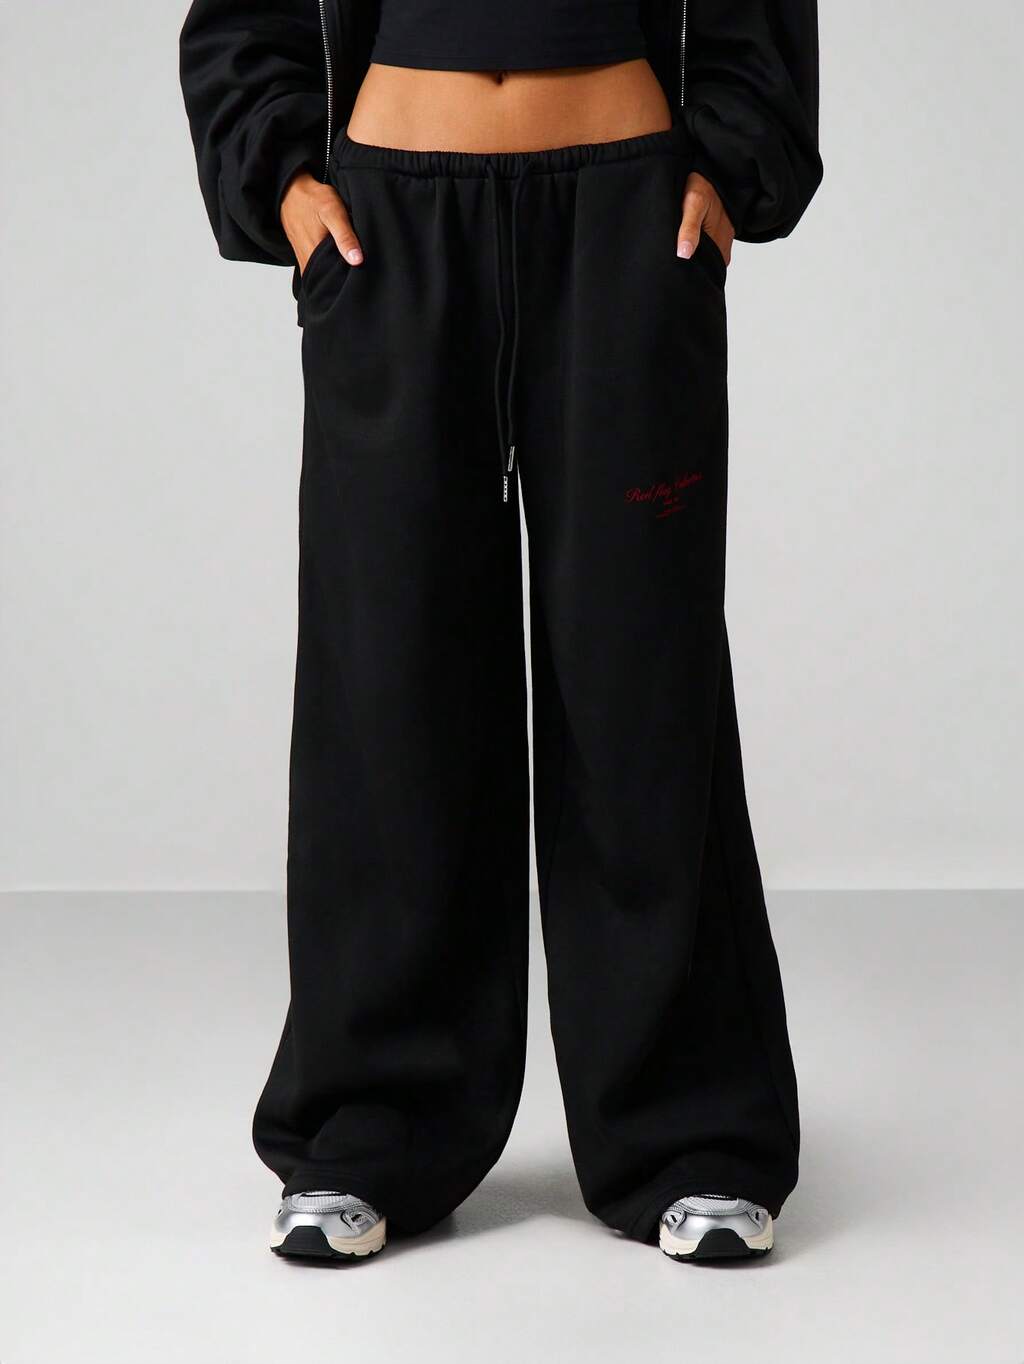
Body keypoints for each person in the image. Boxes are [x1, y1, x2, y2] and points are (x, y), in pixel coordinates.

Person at [179, 0, 822, 1264]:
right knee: (389, 675)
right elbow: (242, 18)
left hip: (626, 220)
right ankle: (373, 1117)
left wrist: (726, 167)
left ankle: (690, 1125)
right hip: (389, 231)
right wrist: (287, 185)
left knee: (641, 676)